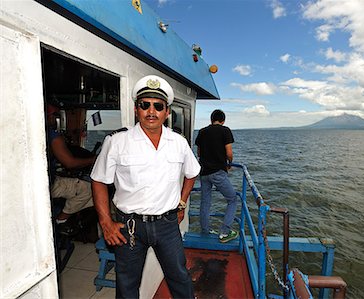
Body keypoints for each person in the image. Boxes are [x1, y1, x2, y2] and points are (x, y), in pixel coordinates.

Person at [90, 75, 200, 299]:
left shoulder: (179, 142)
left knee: (180, 278)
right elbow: (99, 180)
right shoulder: (117, 142)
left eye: (158, 106)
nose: (151, 111)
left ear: (167, 112)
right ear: (136, 109)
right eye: (145, 105)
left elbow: (192, 173)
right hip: (130, 226)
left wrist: (182, 202)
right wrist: (106, 222)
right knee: (127, 285)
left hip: (167, 225)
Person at [47, 104, 97, 235]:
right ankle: (61, 221)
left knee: (94, 199)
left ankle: (72, 224)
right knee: (88, 188)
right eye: (54, 116)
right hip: (49, 184)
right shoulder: (52, 135)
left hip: (45, 181)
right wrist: (93, 160)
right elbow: (70, 163)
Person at [195, 109, 238, 243]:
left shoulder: (202, 131)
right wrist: (229, 163)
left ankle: (205, 230)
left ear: (211, 119)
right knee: (233, 199)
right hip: (218, 172)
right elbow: (229, 153)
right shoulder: (225, 130)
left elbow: (199, 152)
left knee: (205, 202)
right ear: (223, 120)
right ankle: (225, 232)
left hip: (204, 173)